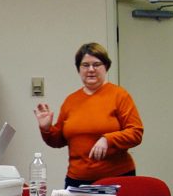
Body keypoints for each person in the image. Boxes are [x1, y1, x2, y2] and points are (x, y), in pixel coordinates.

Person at [34, 42, 144, 188]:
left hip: (116, 178)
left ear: (106, 67)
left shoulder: (119, 96)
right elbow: (58, 140)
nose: (91, 69)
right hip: (77, 181)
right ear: (78, 69)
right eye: (85, 65)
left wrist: (108, 140)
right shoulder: (71, 100)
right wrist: (46, 129)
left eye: (96, 64)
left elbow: (136, 132)